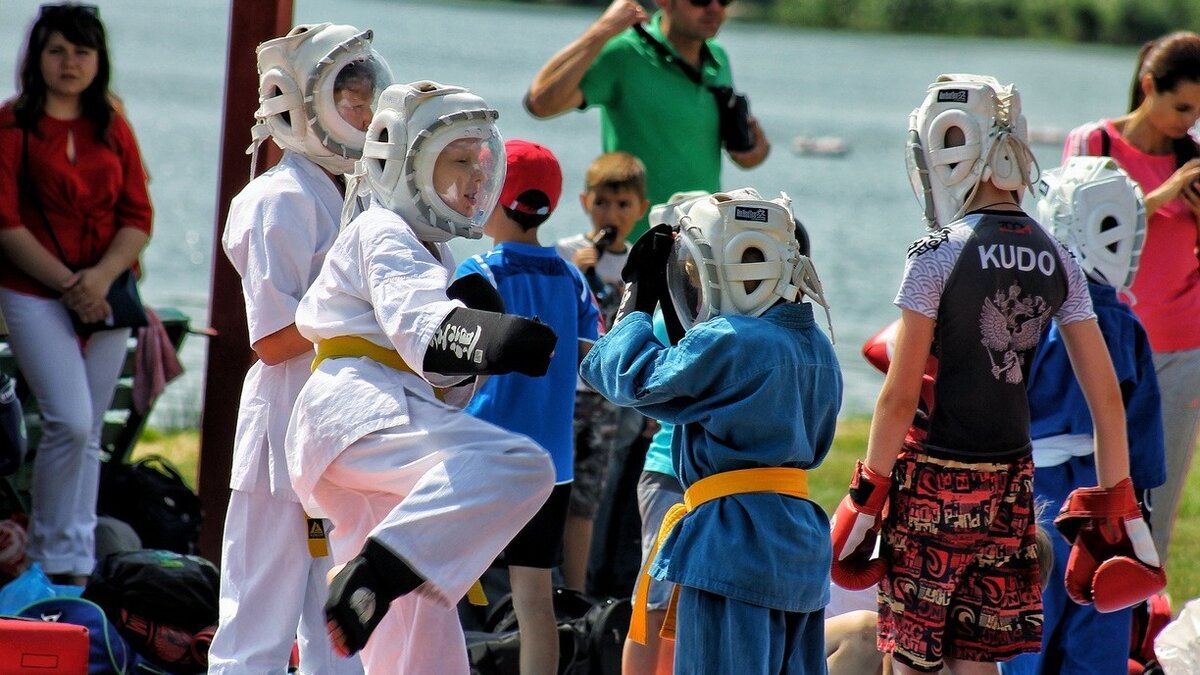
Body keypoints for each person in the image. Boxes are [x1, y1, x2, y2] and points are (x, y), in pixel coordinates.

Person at [833, 74, 1163, 675]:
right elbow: (1107, 399)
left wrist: (865, 493)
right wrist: (1112, 507)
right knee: (979, 653)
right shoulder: (1059, 257)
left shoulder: (934, 253)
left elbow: (898, 397)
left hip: (932, 478)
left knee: (911, 654)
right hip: (1013, 484)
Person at [283, 80, 558, 675]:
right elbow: (425, 334)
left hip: (368, 434)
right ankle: (379, 571)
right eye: (455, 161)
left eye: (479, 163)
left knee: (419, 627)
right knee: (523, 465)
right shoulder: (381, 231)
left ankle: (382, 576)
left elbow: (445, 383)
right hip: (356, 412)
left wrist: (475, 347)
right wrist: (493, 338)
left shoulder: (435, 255)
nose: (473, 180)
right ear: (402, 164)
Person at [581, 188, 840, 673]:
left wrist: (637, 298)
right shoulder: (816, 346)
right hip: (800, 542)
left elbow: (623, 377)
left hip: (732, 542)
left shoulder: (731, 341)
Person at [207, 23, 391, 675]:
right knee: (254, 622)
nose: (365, 115)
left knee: (337, 629)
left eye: (370, 100)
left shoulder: (352, 195)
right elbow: (270, 337)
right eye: (350, 100)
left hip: (335, 438)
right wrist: (368, 317)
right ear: (302, 102)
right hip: (282, 435)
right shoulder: (278, 198)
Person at [0, 3, 151, 587]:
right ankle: (46, 553)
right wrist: (68, 284)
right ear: (37, 57)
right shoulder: (13, 126)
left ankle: (77, 561)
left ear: (99, 60)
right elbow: (6, 224)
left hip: (108, 291)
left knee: (86, 434)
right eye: (57, 50)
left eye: (82, 51)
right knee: (72, 420)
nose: (70, 63)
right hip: (33, 290)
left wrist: (97, 279)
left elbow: (137, 214)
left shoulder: (112, 123)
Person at [1000, 157, 1167, 674]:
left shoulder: (1023, 312)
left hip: (1033, 493)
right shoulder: (1123, 324)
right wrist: (1136, 510)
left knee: (1023, 629)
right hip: (1108, 498)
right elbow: (1141, 442)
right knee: (1097, 623)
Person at [453, 138, 599, 675]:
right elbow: (591, 358)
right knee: (534, 595)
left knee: (439, 576)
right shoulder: (572, 276)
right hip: (552, 465)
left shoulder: (479, 271)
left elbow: (449, 358)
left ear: (492, 195)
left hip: (485, 453)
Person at [1060, 31, 1200, 564]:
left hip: (1183, 341)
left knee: (1158, 496)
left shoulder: (1194, 158)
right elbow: (1073, 230)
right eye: (1181, 105)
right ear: (1148, 86)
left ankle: (1140, 625)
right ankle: (1077, 603)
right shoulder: (1094, 144)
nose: (1188, 121)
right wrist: (1163, 196)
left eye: (1199, 112)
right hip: (1103, 338)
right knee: (1091, 484)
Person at [524, 0, 770, 240]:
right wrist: (602, 30)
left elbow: (715, 147)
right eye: (700, 0)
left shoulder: (718, 58)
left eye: (724, 1)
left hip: (699, 243)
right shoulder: (625, 53)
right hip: (635, 246)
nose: (714, 8)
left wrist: (753, 152)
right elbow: (541, 104)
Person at [553, 150, 649, 592]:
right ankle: (542, 576)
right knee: (549, 486)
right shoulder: (567, 254)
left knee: (592, 495)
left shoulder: (639, 266)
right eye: (602, 203)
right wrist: (575, 274)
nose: (611, 213)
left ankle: (580, 586)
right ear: (584, 201)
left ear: (640, 210)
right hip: (561, 394)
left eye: (623, 205)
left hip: (607, 401)